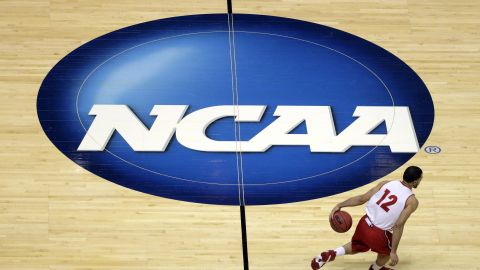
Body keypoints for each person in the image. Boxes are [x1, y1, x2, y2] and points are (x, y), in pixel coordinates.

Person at [311, 166, 423, 270]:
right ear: (415, 181)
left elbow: (361, 199)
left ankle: (332, 253)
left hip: (364, 223)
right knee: (386, 254)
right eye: (420, 179)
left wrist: (340, 205)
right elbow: (399, 225)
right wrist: (393, 251)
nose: (420, 180)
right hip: (379, 233)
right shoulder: (412, 201)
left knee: (357, 245)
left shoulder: (386, 183)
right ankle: (374, 269)